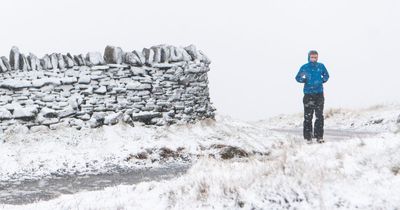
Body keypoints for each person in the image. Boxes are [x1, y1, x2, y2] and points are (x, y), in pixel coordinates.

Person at [295, 50, 329, 144]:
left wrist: (321, 80)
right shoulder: (304, 67)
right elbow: (298, 78)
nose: (314, 59)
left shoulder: (321, 66)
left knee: (319, 116)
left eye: (315, 57)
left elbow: (326, 75)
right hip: (308, 94)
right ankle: (308, 137)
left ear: (317, 57)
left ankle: (319, 136)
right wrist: (303, 79)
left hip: (319, 94)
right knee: (308, 117)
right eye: (312, 57)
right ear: (309, 57)